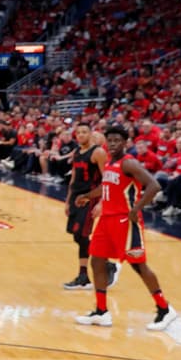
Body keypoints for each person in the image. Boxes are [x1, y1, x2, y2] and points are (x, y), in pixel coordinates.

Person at [75, 125, 176, 331]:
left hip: (126, 221)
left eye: (116, 140)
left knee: (138, 265)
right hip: (107, 220)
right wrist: (87, 196)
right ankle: (102, 311)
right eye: (109, 140)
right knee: (97, 261)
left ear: (125, 143)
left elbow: (154, 185)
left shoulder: (128, 162)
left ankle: (164, 309)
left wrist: (137, 208)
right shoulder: (110, 163)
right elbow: (105, 188)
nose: (112, 144)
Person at [62, 122, 117, 290]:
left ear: (91, 134)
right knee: (78, 236)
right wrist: (67, 200)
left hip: (90, 198)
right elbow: (73, 179)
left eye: (84, 132)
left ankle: (84, 275)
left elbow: (107, 179)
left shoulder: (98, 153)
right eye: (78, 133)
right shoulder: (77, 152)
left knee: (82, 233)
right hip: (76, 198)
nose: (81, 135)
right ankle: (104, 265)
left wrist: (101, 202)